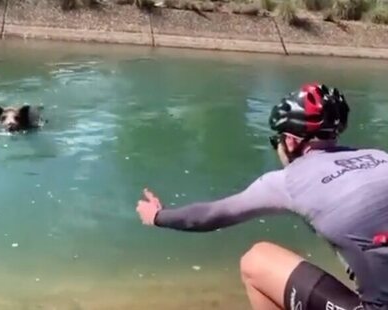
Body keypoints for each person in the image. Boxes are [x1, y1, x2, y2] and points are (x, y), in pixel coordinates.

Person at [136, 82, 388, 310]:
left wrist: (158, 216)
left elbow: (207, 217)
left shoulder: (290, 180)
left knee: (257, 261)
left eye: (275, 140)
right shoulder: (381, 158)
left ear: (290, 141)